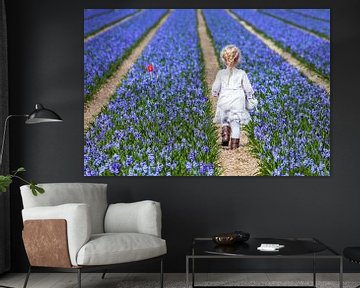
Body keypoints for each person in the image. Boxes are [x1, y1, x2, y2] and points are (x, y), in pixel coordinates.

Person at [211, 44, 256, 149]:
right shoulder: (242, 73)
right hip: (237, 101)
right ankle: (234, 145)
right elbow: (248, 88)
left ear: (223, 59)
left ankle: (225, 134)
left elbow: (216, 86)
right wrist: (250, 97)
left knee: (225, 119)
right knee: (235, 123)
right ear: (237, 59)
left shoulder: (221, 73)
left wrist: (215, 93)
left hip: (224, 100)